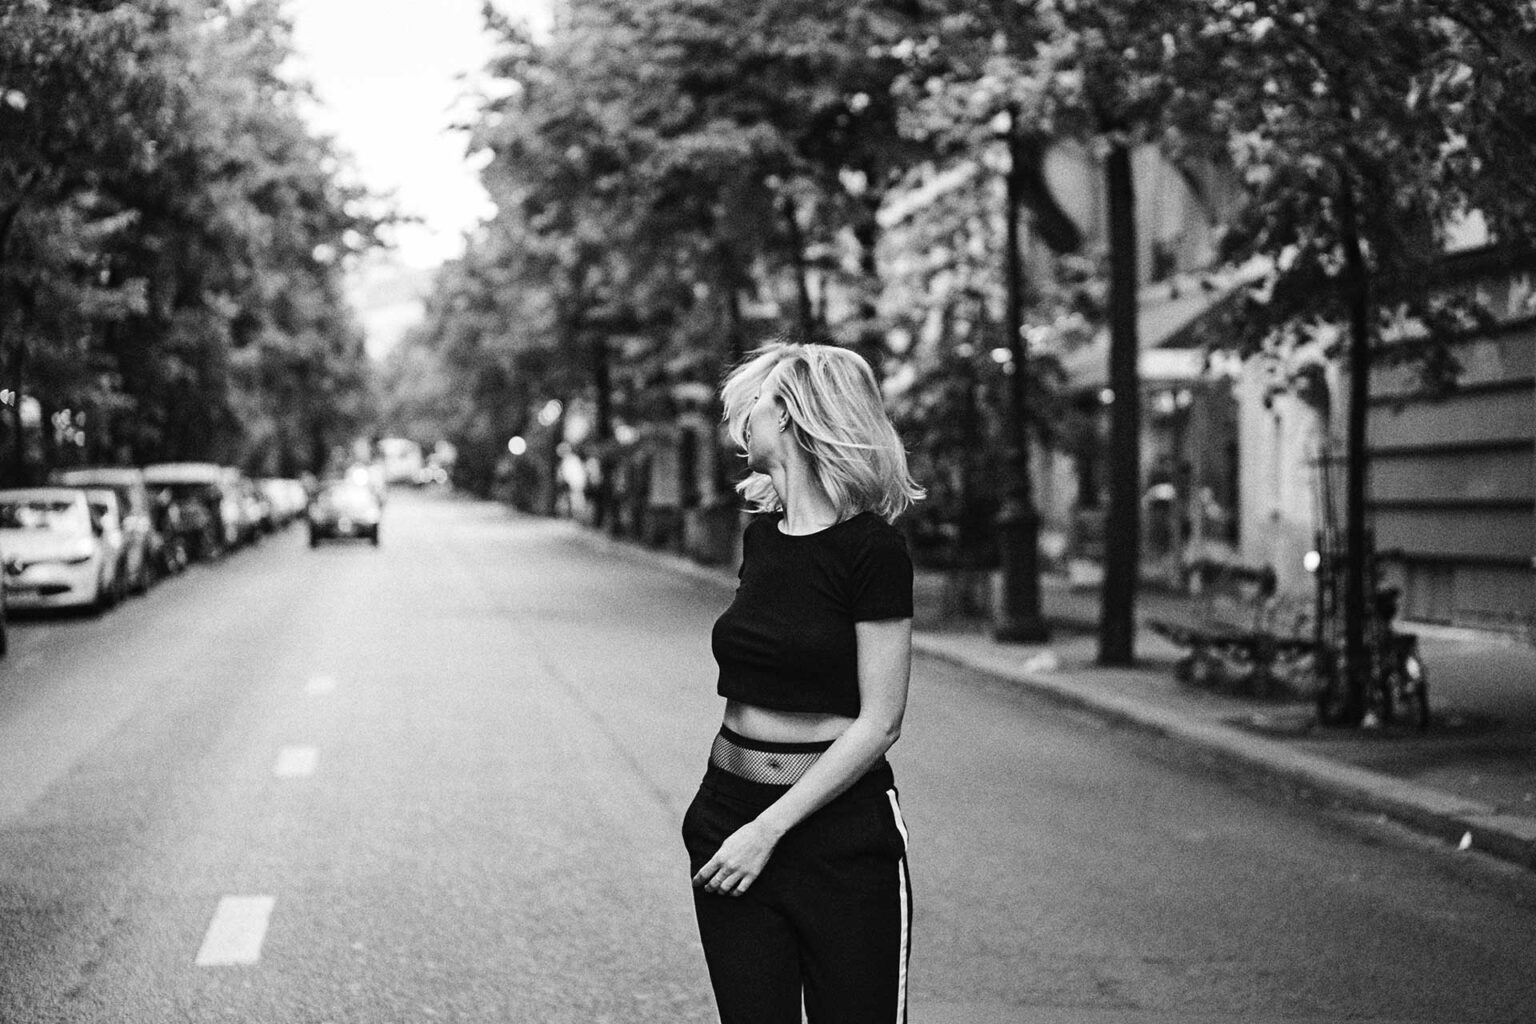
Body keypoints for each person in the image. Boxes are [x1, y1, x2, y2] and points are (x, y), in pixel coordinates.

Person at [682, 341, 925, 1024]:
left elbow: (881, 723)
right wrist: (724, 820)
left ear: (788, 416)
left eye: (755, 405)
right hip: (729, 817)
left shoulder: (872, 553)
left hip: (836, 837)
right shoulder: (761, 540)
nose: (742, 422)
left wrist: (770, 829)